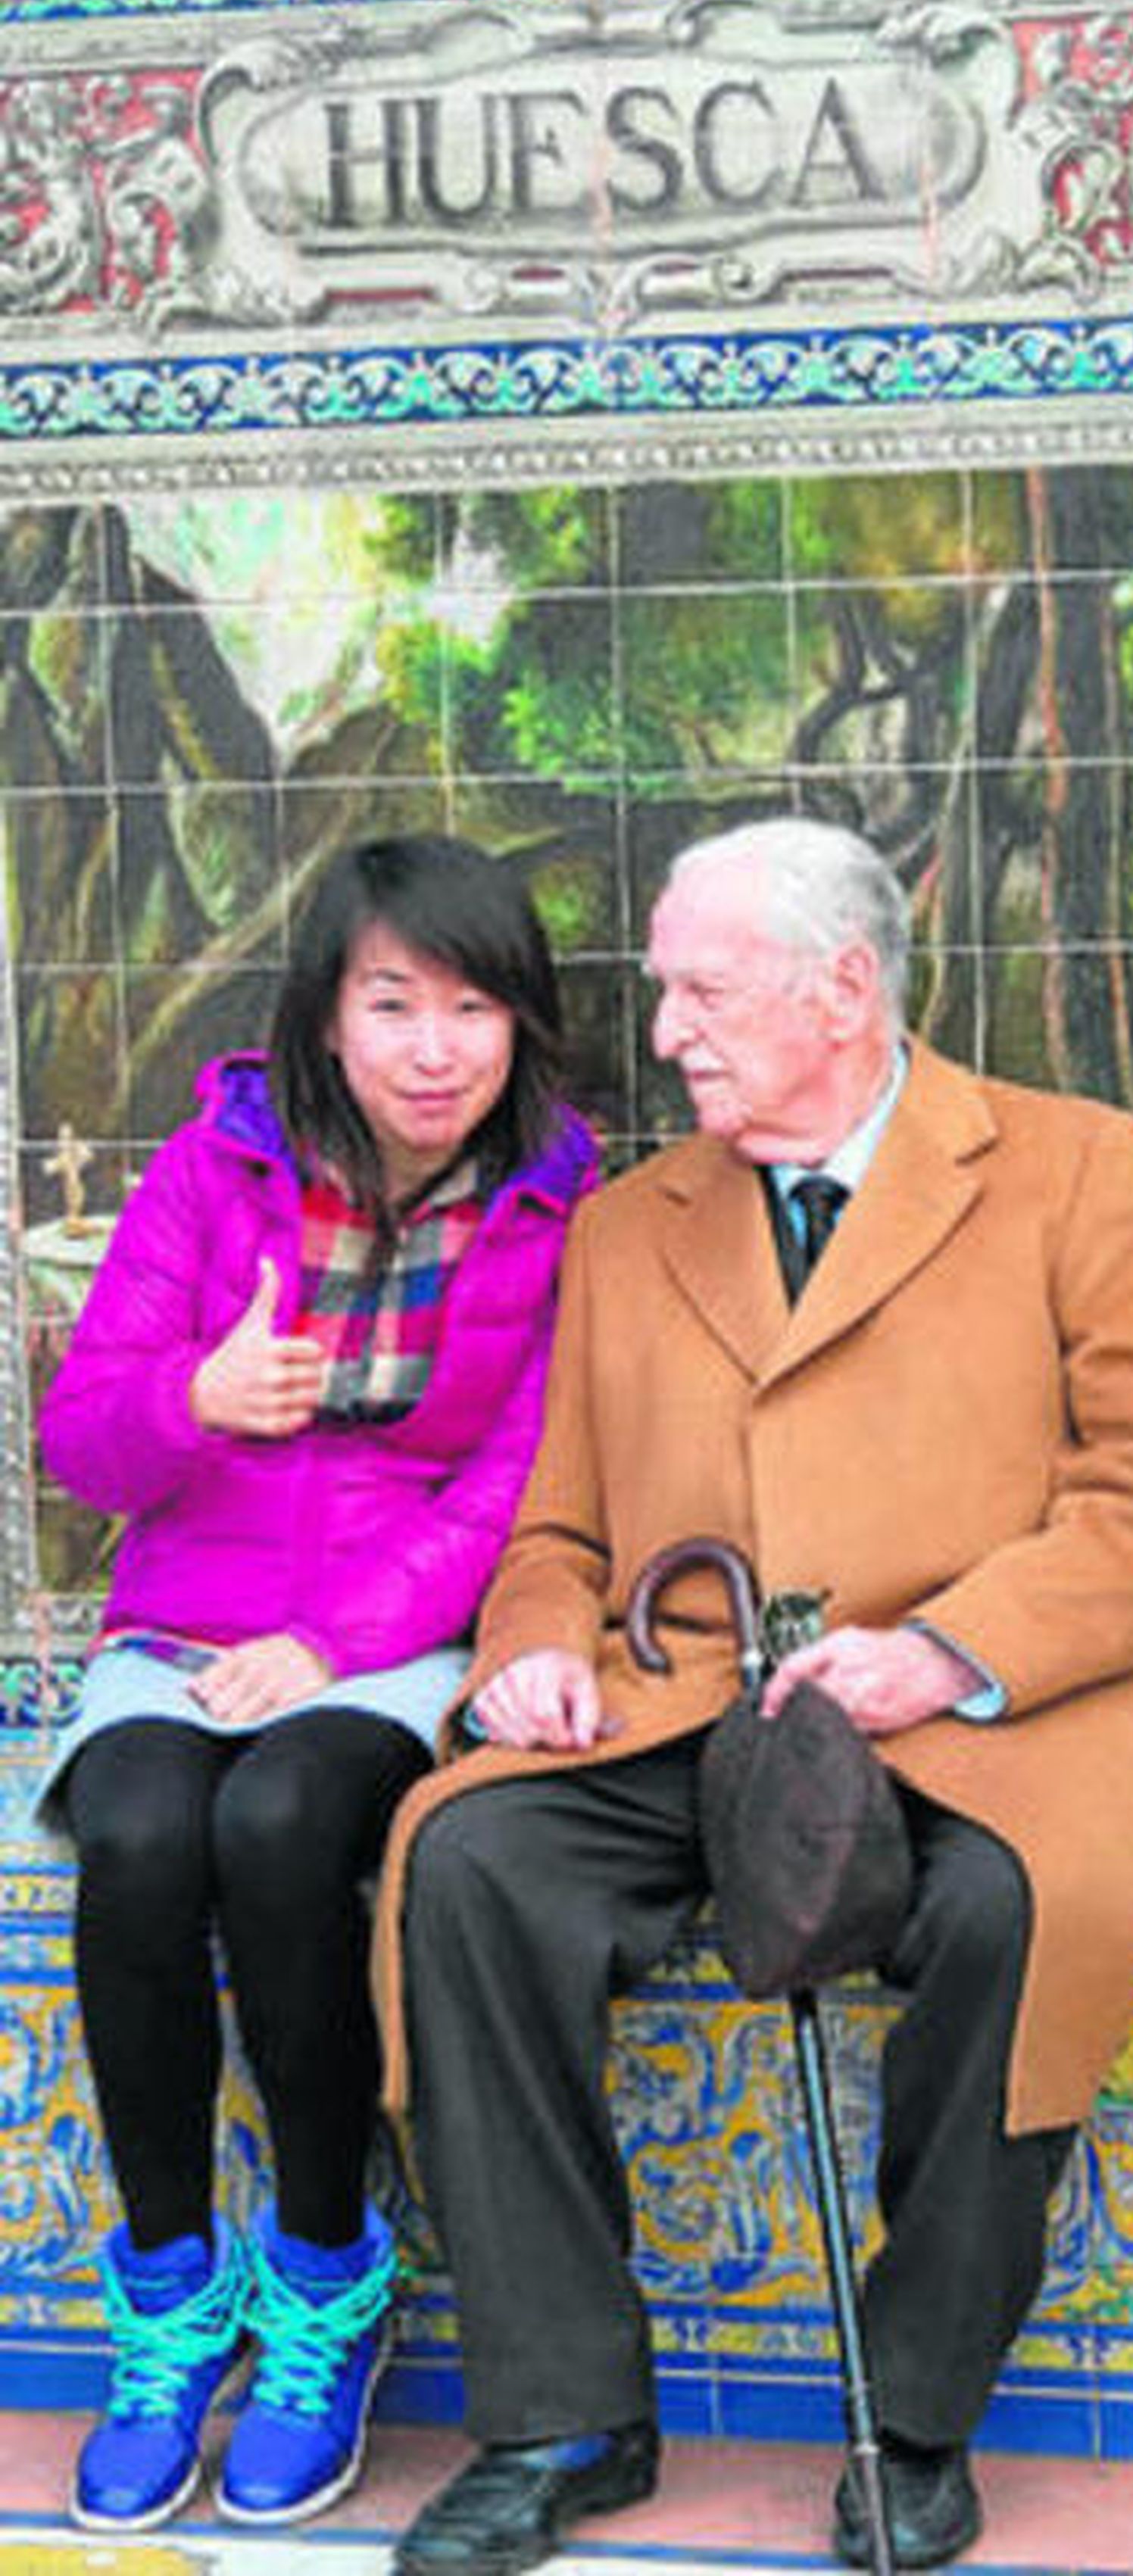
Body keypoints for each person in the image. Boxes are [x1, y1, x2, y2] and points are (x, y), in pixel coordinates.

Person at [371, 817, 1133, 2576]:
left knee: (1011, 1906)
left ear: (839, 990)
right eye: (665, 989)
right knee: (471, 1860)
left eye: (700, 990)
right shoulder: (630, 1225)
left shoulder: (1077, 1169)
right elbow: (557, 1527)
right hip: (698, 1697)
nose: (664, 1029)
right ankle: (562, 2416)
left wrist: (951, 1649)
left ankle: (909, 2418)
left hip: (995, 1715)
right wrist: (534, 1641)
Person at [37, 834, 597, 2537]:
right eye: (393, 1004)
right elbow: (84, 1442)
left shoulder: (558, 1206)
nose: (435, 1049)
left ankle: (328, 2276)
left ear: (521, 1025)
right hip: (182, 1616)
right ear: (327, 1015)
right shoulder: (212, 1171)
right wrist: (195, 1398)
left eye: (472, 1008)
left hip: (392, 1634)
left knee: (283, 1823)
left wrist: (336, 1644)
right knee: (141, 1834)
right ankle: (169, 2296)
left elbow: (510, 1483)